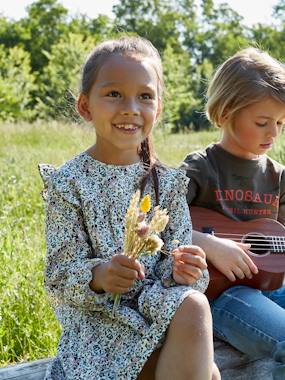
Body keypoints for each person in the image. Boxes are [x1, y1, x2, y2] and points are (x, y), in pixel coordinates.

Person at [39, 36, 220, 380]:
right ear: (85, 106)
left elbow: (183, 275)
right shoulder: (70, 184)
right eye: (114, 94)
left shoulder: (168, 184)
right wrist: (100, 276)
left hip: (158, 316)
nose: (130, 108)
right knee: (207, 372)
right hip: (100, 332)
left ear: (158, 108)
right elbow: (60, 275)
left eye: (145, 96)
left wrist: (185, 271)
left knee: (194, 305)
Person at [183, 47, 285, 379]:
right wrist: (209, 245)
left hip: (271, 285)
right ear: (227, 111)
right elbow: (156, 225)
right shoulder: (200, 168)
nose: (273, 133)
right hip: (220, 296)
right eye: (262, 122)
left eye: (281, 123)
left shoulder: (278, 175)